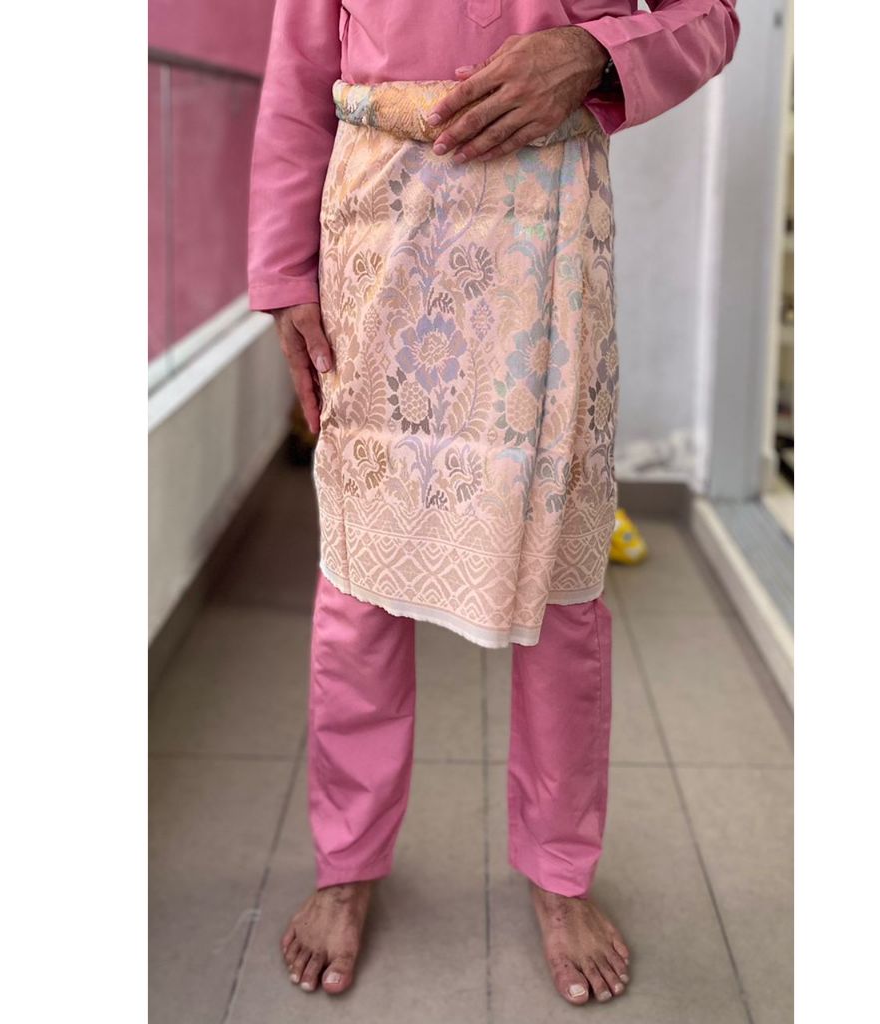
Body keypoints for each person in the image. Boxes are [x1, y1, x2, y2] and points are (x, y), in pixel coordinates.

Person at [248, 0, 739, 1006]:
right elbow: (298, 74)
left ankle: (560, 871)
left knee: (557, 580)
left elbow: (714, 16)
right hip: (378, 231)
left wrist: (594, 51)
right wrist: (284, 274)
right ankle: (347, 862)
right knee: (361, 578)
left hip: (545, 237)